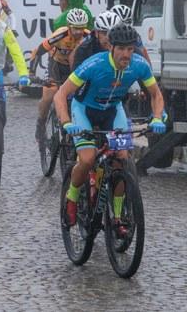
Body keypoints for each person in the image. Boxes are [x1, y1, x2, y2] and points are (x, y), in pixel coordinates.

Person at [54, 23, 166, 227]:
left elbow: (156, 94)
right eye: (121, 49)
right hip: (85, 110)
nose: (126, 54)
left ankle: (116, 215)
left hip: (113, 111)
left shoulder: (139, 65)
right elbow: (61, 94)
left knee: (121, 159)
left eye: (130, 49)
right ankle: (71, 198)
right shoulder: (94, 64)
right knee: (87, 159)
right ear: (111, 47)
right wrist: (66, 122)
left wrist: (157, 117)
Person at [30, 8, 90, 144]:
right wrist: (31, 73)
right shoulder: (60, 35)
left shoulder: (89, 36)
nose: (78, 32)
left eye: (81, 28)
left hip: (75, 66)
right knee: (49, 93)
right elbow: (37, 51)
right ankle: (41, 122)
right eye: (75, 29)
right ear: (69, 26)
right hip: (56, 64)